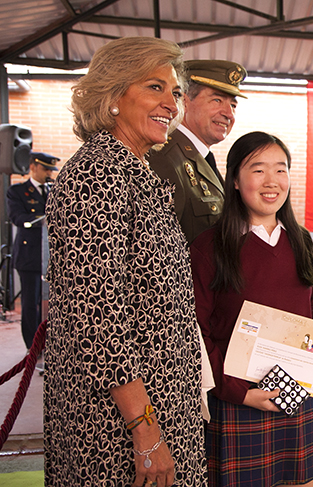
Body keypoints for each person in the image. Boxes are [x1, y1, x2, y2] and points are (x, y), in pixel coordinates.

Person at [44, 37, 206, 486]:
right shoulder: (98, 173)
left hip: (159, 400)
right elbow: (98, 314)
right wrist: (146, 432)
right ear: (114, 95)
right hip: (119, 423)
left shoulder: (136, 170)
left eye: (174, 92)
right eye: (155, 87)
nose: (170, 104)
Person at [190, 131, 313, 487]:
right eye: (258, 170)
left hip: (297, 391)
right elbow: (195, 333)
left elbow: (307, 307)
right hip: (236, 399)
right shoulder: (210, 247)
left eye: (281, 169)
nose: (271, 181)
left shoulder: (300, 239)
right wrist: (239, 393)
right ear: (234, 180)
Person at [149, 59, 245, 245]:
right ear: (184, 102)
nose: (229, 114)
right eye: (217, 100)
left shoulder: (200, 157)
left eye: (233, 105)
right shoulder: (165, 158)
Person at [6, 151, 58, 355]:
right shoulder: (17, 191)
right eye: (45, 168)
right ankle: (33, 346)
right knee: (31, 303)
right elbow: (18, 217)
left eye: (50, 170)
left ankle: (49, 342)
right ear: (33, 166)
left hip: (50, 257)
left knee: (49, 302)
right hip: (29, 256)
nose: (48, 173)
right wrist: (43, 217)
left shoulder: (53, 189)